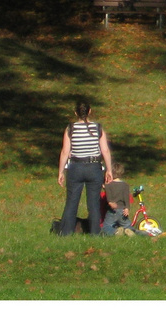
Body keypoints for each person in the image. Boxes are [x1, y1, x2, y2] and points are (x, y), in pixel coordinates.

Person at [57, 99, 115, 236]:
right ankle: (95, 232)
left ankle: (66, 232)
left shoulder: (70, 128)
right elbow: (105, 151)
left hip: (75, 167)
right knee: (93, 203)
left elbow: (65, 152)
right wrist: (109, 170)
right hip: (94, 167)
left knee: (72, 201)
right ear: (90, 111)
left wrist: (61, 172)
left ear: (75, 112)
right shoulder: (98, 128)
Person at [99, 162, 134, 236]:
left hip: (112, 210)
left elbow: (109, 197)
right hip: (123, 210)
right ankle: (130, 231)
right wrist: (127, 208)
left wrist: (110, 202)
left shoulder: (109, 185)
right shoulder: (125, 185)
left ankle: (115, 232)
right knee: (127, 225)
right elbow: (126, 198)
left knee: (106, 226)